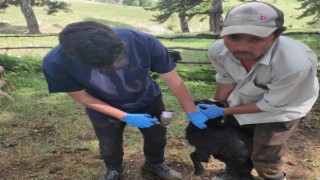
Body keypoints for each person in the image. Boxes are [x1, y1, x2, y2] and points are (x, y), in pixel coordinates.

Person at [42, 21, 209, 180]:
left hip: (147, 99)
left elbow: (173, 79)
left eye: (117, 57)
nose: (115, 65)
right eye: (106, 64)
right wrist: (125, 116)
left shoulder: (143, 41)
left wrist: (192, 111)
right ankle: (114, 169)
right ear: (77, 58)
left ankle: (154, 164)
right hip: (102, 106)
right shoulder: (55, 63)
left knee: (156, 136)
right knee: (109, 144)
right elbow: (82, 96)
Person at [196, 2, 319, 180]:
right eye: (234, 37)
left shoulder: (294, 65)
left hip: (282, 107)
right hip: (243, 99)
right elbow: (226, 78)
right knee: (232, 141)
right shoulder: (218, 51)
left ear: (276, 35)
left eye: (256, 39)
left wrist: (223, 111)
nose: (241, 47)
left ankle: (273, 177)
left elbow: (271, 104)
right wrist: (215, 106)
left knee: (266, 151)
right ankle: (237, 173)